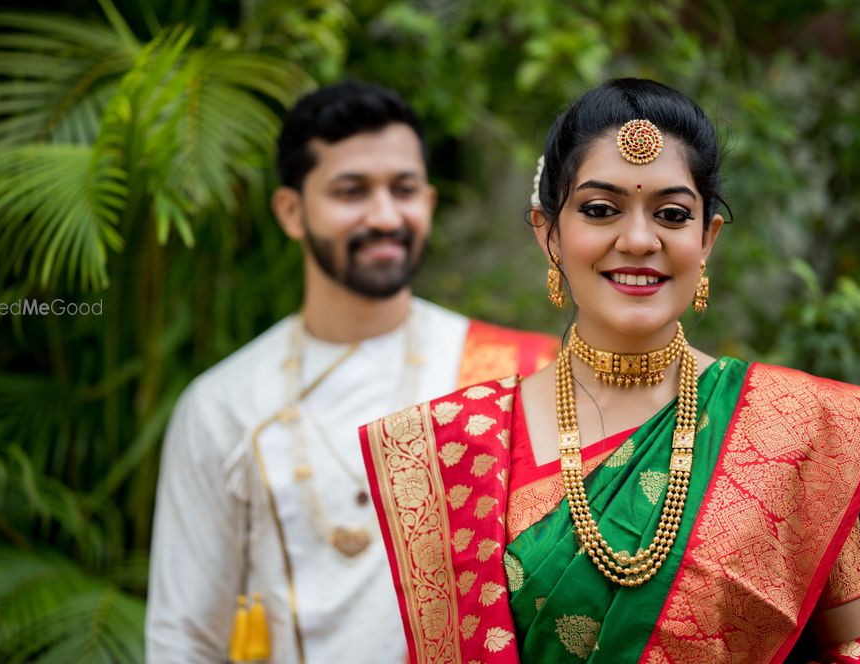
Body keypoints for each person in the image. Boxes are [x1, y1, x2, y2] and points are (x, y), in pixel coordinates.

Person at [360, 78, 860, 663]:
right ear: (550, 235)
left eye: (671, 214)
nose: (639, 239)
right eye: (600, 210)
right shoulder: (461, 441)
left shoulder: (796, 432)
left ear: (707, 238)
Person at [145, 80, 558, 664]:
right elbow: (184, 637)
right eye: (351, 191)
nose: (385, 215)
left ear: (429, 203)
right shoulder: (225, 404)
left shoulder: (515, 378)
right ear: (292, 211)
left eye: (403, 189)